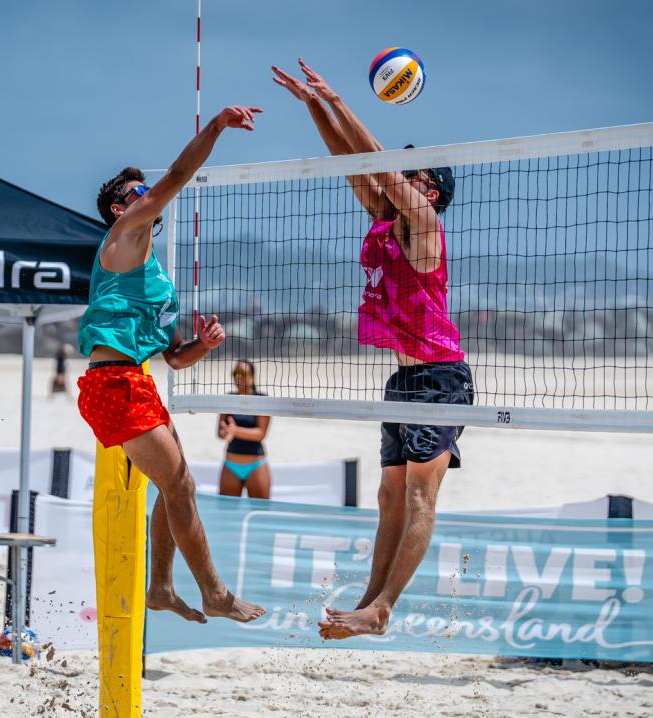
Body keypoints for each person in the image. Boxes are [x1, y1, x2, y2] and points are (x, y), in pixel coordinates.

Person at [273, 60, 474, 640]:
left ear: (429, 190)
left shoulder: (424, 223)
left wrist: (340, 99)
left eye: (411, 174)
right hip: (404, 379)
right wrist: (315, 106)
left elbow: (380, 165)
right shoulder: (387, 219)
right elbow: (353, 162)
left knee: (419, 496)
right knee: (389, 496)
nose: (399, 177)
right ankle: (368, 605)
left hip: (441, 378)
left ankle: (384, 607)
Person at [78, 104, 267, 626]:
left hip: (134, 380)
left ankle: (160, 587)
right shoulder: (123, 235)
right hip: (112, 383)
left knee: (177, 487)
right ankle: (215, 593)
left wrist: (203, 345)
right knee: (180, 486)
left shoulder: (153, 273)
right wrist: (217, 126)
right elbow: (179, 175)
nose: (147, 193)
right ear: (119, 207)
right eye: (136, 191)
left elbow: (175, 359)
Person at [218, 359, 272, 499]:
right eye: (235, 373)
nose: (237, 377)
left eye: (242, 373)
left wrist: (235, 431)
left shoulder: (261, 399)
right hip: (231, 464)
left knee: (260, 511)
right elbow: (220, 432)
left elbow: (261, 434)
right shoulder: (228, 398)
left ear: (252, 377)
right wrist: (225, 432)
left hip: (255, 465)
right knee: (227, 511)